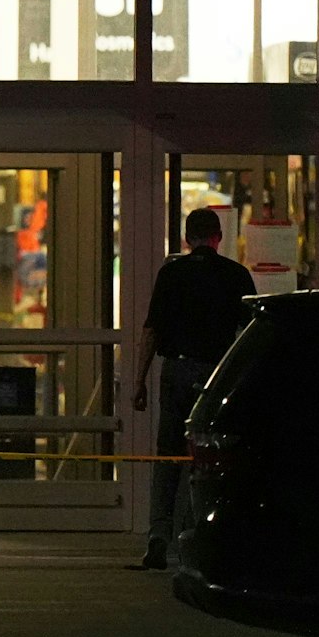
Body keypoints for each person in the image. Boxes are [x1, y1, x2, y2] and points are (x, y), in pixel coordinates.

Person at [131, 206, 256, 571]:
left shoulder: (171, 273)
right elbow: (248, 334)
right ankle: (193, 534)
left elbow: (151, 330)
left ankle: (158, 534)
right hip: (215, 375)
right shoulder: (236, 276)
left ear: (187, 238)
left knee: (167, 453)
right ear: (218, 237)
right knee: (204, 457)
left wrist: (139, 380)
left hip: (177, 369)